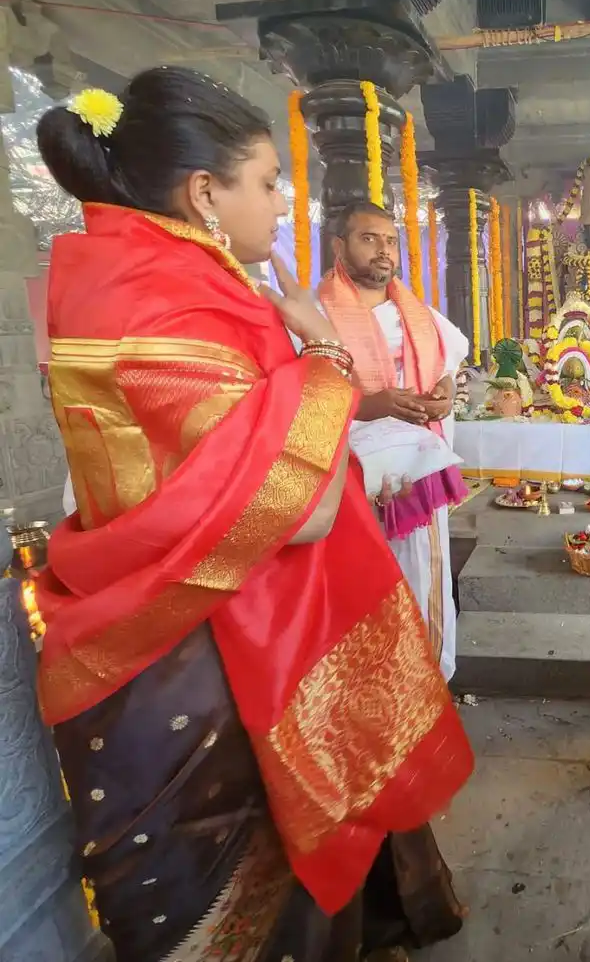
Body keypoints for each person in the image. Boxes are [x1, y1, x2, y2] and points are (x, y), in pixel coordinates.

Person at [35, 67, 472, 962]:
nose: (282, 205)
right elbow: (294, 509)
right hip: (213, 641)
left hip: (196, 620)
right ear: (205, 193)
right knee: (259, 894)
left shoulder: (135, 276)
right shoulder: (173, 304)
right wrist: (324, 354)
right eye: (269, 182)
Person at [317, 201, 468, 680]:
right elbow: (301, 397)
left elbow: (448, 364)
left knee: (423, 573)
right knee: (360, 582)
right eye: (369, 238)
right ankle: (367, 687)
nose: (383, 250)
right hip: (348, 474)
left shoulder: (418, 315)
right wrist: (369, 405)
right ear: (339, 246)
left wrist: (445, 393)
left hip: (418, 470)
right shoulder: (315, 316)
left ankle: (427, 681)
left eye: (390, 241)